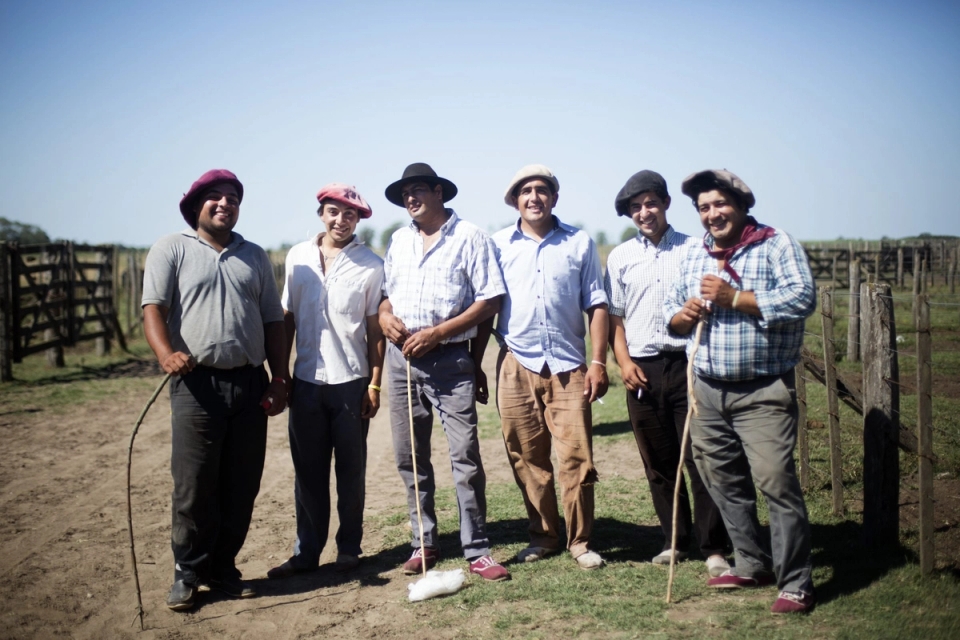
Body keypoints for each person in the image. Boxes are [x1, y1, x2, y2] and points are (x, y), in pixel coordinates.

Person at [664, 169, 817, 614]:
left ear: (741, 204)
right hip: (707, 390)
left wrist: (735, 299)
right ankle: (751, 561)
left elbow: (802, 298)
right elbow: (673, 324)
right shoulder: (695, 255)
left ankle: (796, 583)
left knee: (775, 481)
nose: (712, 214)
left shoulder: (774, 244)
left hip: (763, 389)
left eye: (719, 204)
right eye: (704, 207)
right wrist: (686, 315)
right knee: (722, 479)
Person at [142, 169, 288, 611]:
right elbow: (153, 308)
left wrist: (279, 378)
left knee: (241, 484)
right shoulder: (173, 248)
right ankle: (188, 573)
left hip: (249, 383)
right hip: (195, 384)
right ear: (196, 205)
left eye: (232, 198)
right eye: (215, 197)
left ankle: (224, 568)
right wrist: (166, 354)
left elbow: (273, 322)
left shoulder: (254, 256)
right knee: (193, 485)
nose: (225, 204)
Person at [378, 162, 510, 581]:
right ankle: (424, 543)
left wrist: (438, 333)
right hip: (401, 358)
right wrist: (384, 317)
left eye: (417, 190)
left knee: (464, 456)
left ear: (439, 192)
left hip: (450, 358)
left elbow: (490, 300)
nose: (410, 199)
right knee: (409, 456)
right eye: (404, 194)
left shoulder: (472, 237)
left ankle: (477, 549)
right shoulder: (398, 240)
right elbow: (386, 296)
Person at [604, 170, 731, 576]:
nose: (645, 212)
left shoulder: (695, 249)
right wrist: (623, 364)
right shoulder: (621, 257)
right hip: (641, 369)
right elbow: (615, 321)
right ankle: (672, 540)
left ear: (665, 204)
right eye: (636, 207)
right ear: (630, 213)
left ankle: (712, 545)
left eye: (651, 203)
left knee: (699, 457)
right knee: (658, 460)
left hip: (688, 364)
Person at [491, 164, 608, 570]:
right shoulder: (497, 245)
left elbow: (597, 303)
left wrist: (597, 362)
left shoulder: (579, 242)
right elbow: (486, 304)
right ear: (515, 201)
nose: (534, 197)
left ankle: (580, 541)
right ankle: (543, 535)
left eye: (542, 190)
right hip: (515, 360)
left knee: (576, 457)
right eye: (525, 192)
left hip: (570, 364)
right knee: (526, 456)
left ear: (554, 198)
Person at [267, 183, 385, 579]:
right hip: (305, 382)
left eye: (350, 214)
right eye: (334, 211)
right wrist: (280, 375)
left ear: (359, 220)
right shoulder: (298, 258)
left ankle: (349, 548)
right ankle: (306, 552)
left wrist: (374, 383)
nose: (341, 220)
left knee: (351, 471)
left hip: (351, 382)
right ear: (321, 213)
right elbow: (287, 318)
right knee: (308, 472)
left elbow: (374, 331)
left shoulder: (371, 265)